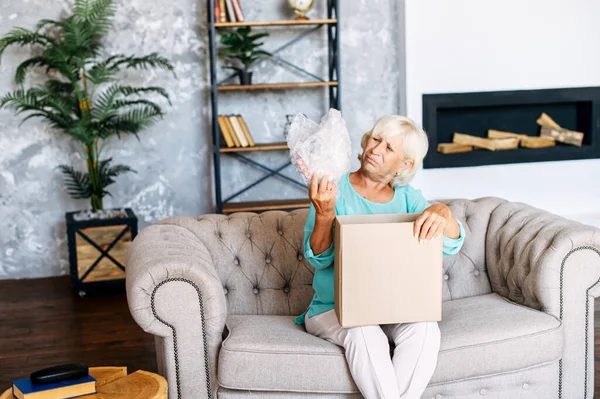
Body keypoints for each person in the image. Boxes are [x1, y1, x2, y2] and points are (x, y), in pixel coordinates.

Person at [294, 115, 465, 399]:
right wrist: (325, 214)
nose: (376, 149)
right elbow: (319, 260)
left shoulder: (409, 198)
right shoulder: (335, 190)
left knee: (425, 330)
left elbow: (451, 244)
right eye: (375, 139)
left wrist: (443, 213)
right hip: (333, 309)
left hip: (394, 308)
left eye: (389, 148)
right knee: (364, 332)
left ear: (405, 164)